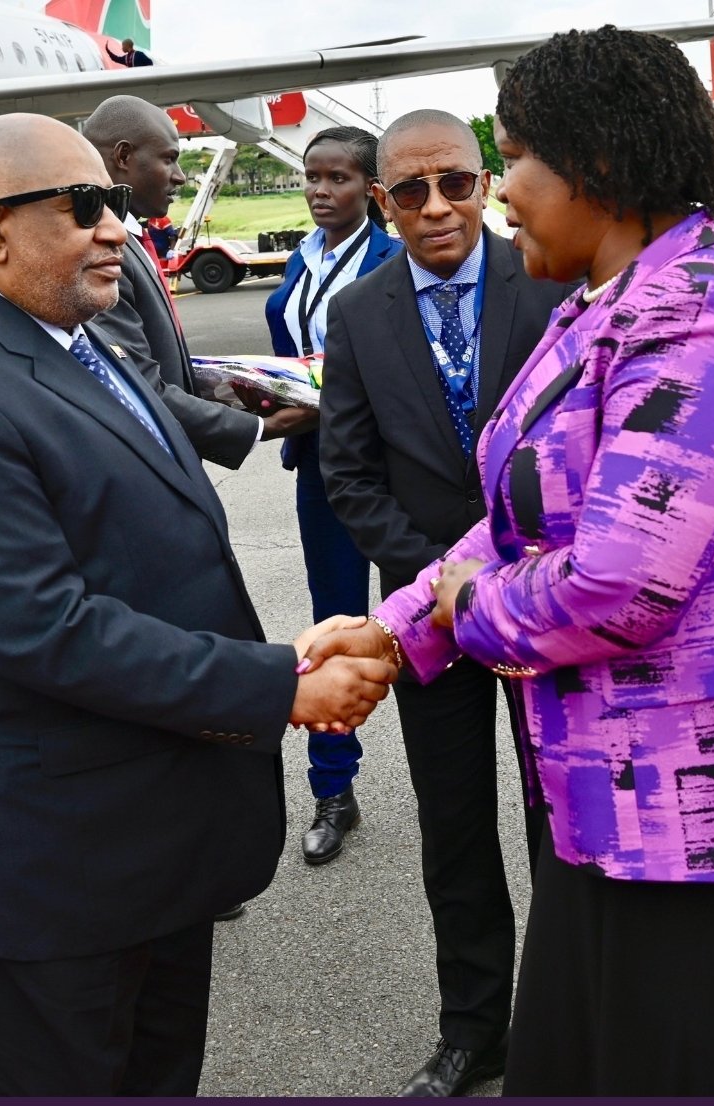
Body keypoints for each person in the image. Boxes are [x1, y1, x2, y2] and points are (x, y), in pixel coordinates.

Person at [305, 28, 714, 1096]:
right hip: (621, 787)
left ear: (595, 166)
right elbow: (522, 520)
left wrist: (464, 607)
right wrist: (395, 623)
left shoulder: (703, 318)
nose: (499, 191)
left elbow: (612, 587)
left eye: (509, 159)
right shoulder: (606, 302)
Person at [0, 112, 396, 1097]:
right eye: (83, 206)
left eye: (115, 202)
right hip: (48, 870)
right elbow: (43, 627)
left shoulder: (75, 342)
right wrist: (278, 683)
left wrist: (282, 659)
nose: (117, 225)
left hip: (143, 847)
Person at [319, 109, 566, 1095]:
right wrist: (440, 587)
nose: (435, 208)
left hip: (550, 609)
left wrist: (510, 581)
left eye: (455, 183)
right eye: (409, 191)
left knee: (562, 818)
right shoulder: (360, 312)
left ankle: (566, 1017)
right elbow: (347, 474)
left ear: (482, 182)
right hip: (430, 626)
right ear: (381, 201)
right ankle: (474, 1027)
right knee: (454, 827)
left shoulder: (550, 280)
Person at [264, 127, 401, 866]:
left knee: (424, 628)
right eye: (311, 177)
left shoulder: (395, 255)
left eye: (338, 178)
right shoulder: (301, 258)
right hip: (320, 467)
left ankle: (450, 774)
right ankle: (332, 791)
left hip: (396, 470)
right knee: (330, 629)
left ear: (371, 189)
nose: (320, 191)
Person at [85, 96, 314, 474]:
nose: (179, 175)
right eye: (168, 158)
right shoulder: (102, 252)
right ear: (123, 156)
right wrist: (262, 427)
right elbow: (139, 384)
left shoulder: (133, 234)